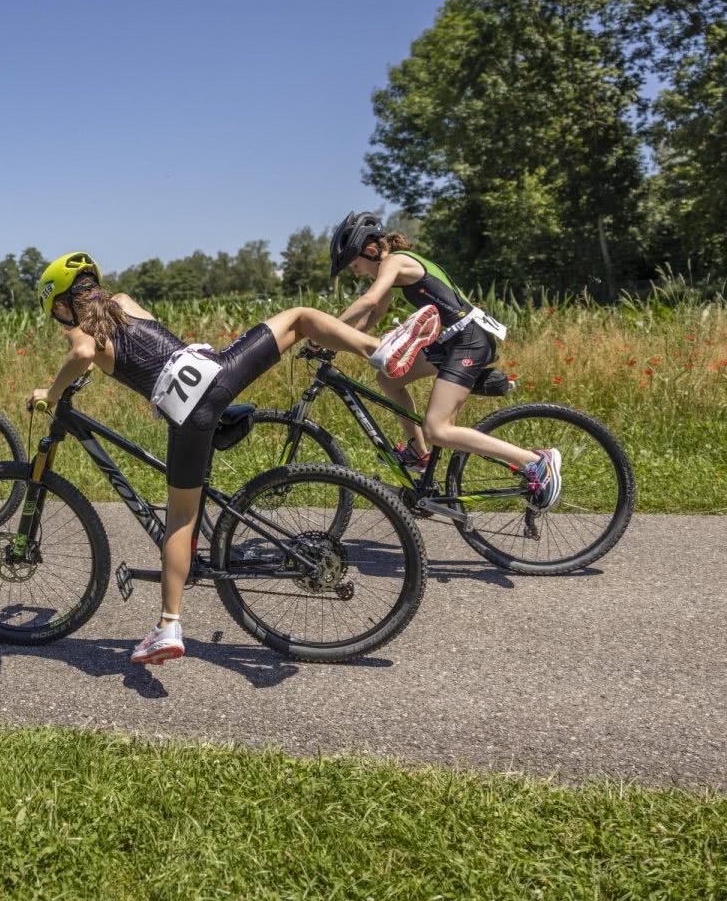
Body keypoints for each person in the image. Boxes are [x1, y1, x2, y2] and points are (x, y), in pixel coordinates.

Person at [28, 252, 442, 666]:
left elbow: (85, 351)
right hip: (219, 374)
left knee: (180, 519)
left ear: (62, 305)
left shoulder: (81, 331)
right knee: (298, 318)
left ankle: (168, 627)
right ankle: (378, 350)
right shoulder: (125, 301)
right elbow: (136, 347)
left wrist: (51, 392)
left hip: (190, 414)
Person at [328, 211, 560, 505]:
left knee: (438, 429)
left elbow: (370, 301)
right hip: (451, 342)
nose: (355, 271)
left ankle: (535, 462)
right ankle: (418, 452)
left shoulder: (395, 261)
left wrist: (325, 329)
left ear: (369, 249)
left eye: (354, 264)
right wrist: (333, 342)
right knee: (388, 377)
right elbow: (374, 315)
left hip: (467, 342)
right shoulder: (395, 268)